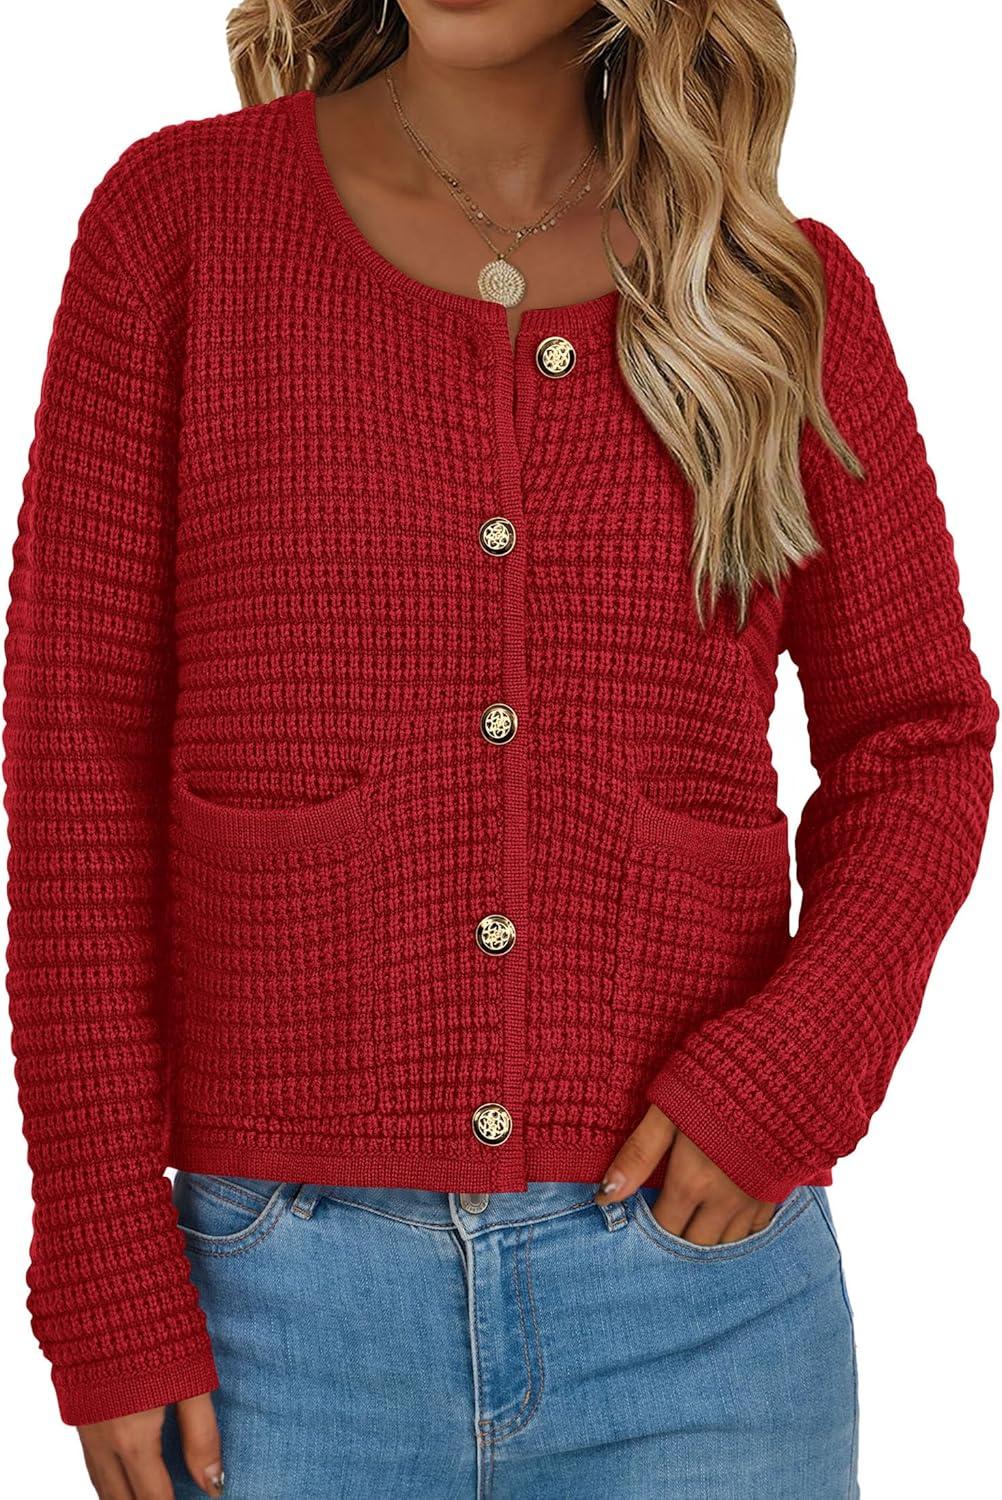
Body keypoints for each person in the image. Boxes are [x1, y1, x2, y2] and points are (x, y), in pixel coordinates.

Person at [3, 1, 997, 1496]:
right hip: (275, 1306)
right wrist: (103, 1264)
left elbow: (916, 739)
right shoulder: (183, 226)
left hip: (698, 1307)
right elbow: (75, 756)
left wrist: (792, 1070)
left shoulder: (771, 293)